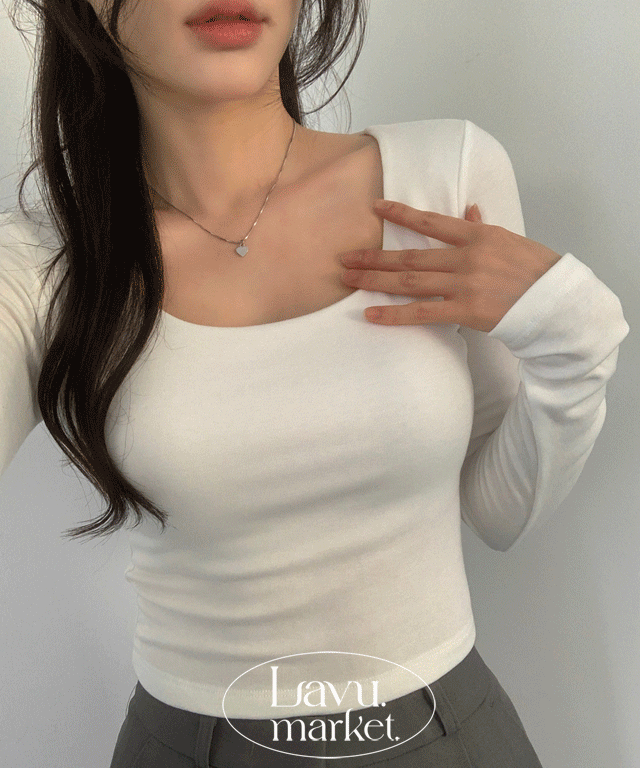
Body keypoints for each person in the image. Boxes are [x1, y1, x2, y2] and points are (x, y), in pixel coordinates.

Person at [0, 1, 630, 767]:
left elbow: (500, 512)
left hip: (443, 736)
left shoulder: (444, 177)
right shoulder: (48, 263)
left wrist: (573, 334)